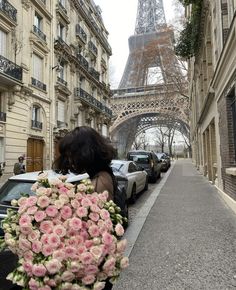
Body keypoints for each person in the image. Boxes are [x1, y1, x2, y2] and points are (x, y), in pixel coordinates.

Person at [53, 126, 117, 290]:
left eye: (71, 155)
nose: (70, 160)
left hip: (91, 265)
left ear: (85, 152)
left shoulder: (100, 180)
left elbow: (94, 228)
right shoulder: (99, 175)